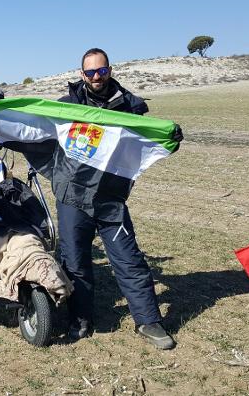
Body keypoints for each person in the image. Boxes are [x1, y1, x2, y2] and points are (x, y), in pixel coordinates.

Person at [56, 48, 176, 350]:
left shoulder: (130, 106)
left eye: (102, 70)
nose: (97, 77)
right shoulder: (66, 107)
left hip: (111, 198)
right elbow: (34, 124)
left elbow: (147, 135)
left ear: (110, 70)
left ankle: (149, 321)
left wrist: (169, 136)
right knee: (75, 261)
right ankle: (80, 318)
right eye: (91, 72)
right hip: (73, 196)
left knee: (129, 258)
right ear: (82, 75)